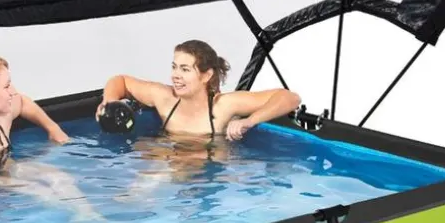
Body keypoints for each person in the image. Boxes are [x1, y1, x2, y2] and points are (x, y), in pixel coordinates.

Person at [96, 39, 300, 141]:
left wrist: (249, 121)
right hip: (168, 158)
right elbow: (121, 81)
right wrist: (109, 102)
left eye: (185, 69)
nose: (176, 75)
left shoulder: (222, 106)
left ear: (206, 76)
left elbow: (289, 98)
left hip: (208, 170)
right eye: (174, 67)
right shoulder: (165, 98)